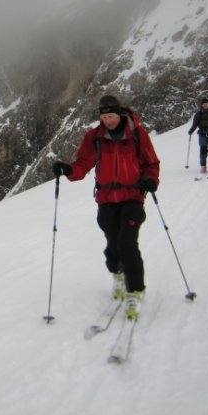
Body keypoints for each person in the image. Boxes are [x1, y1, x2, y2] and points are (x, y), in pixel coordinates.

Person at [52, 95, 160, 320]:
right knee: (113, 243)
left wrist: (151, 180)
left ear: (119, 114)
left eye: (111, 116)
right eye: (104, 117)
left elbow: (151, 163)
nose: (108, 121)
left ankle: (135, 291)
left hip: (132, 196)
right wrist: (68, 170)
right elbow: (83, 164)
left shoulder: (136, 134)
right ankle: (118, 275)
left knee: (127, 243)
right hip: (106, 198)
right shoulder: (95, 137)